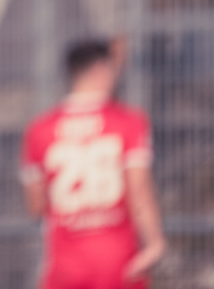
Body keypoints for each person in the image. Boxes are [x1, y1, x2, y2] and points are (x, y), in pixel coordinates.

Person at [21, 38, 165, 289]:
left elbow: (36, 206)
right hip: (119, 263)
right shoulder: (128, 121)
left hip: (65, 267)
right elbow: (138, 188)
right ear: (101, 69)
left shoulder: (39, 129)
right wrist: (154, 242)